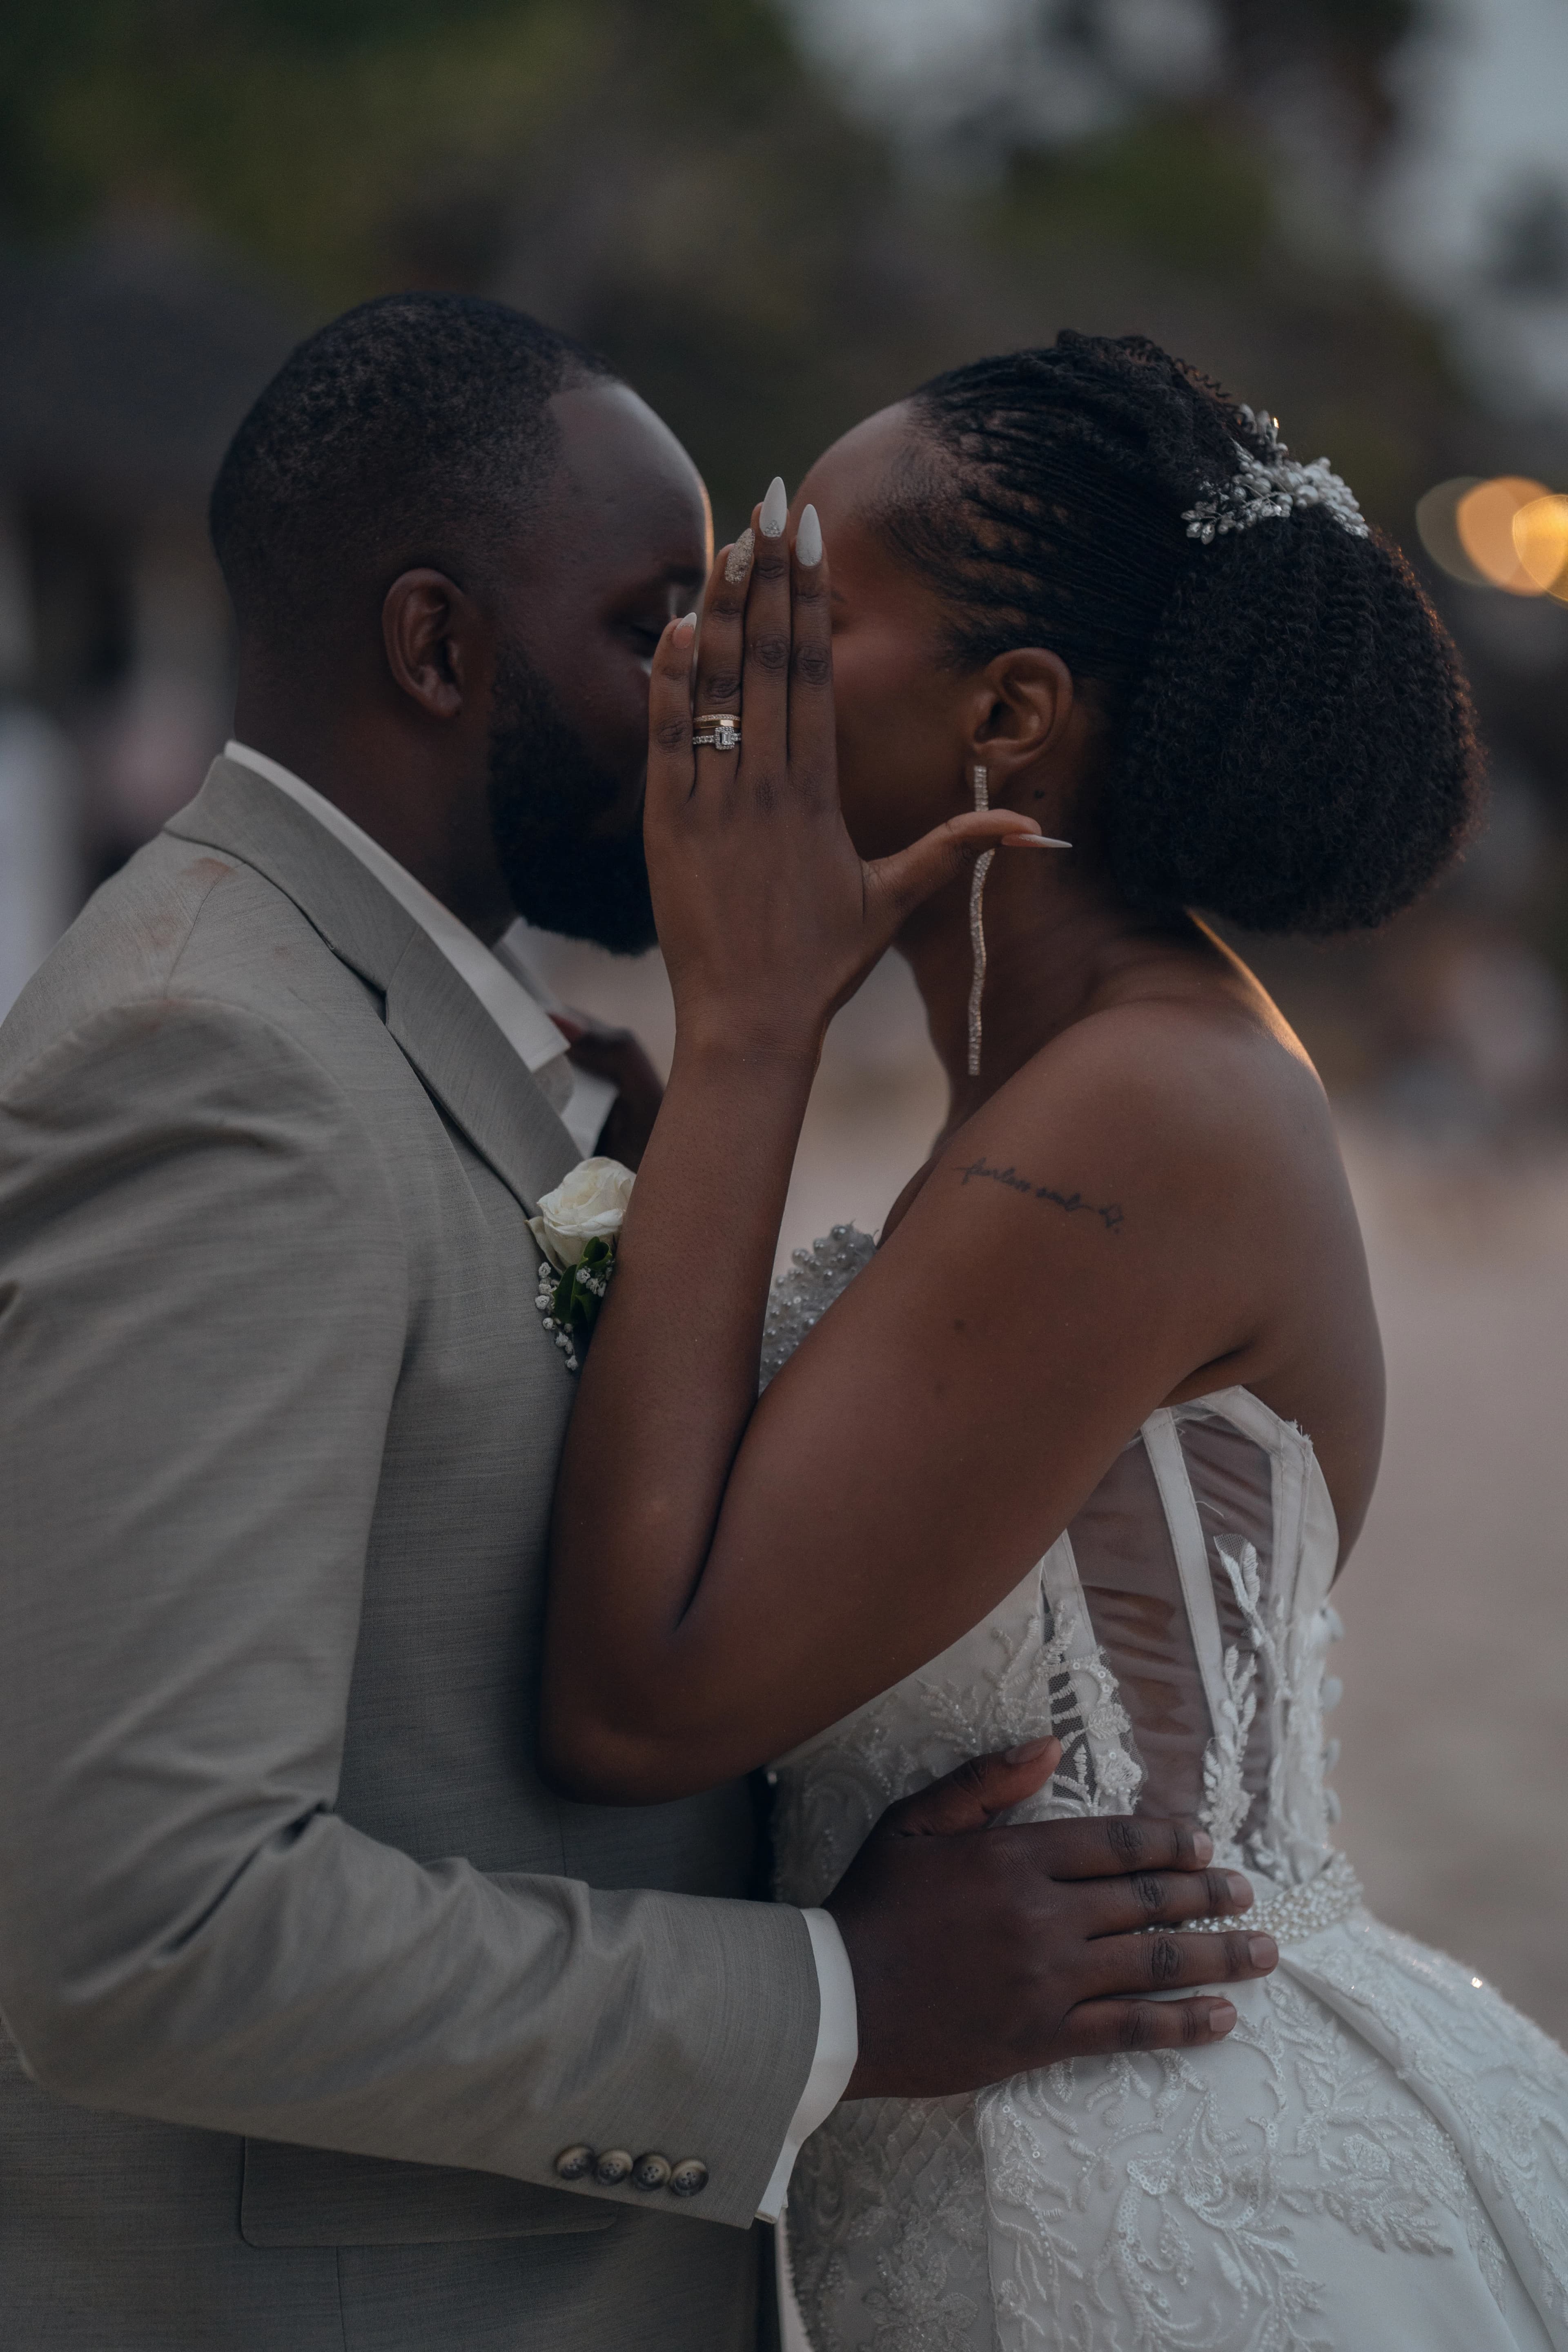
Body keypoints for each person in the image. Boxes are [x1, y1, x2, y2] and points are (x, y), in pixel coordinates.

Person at [0, 298, 1274, 2352]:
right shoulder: (210, 1059)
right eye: (660, 628)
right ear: (437, 648)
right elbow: (151, 1927)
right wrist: (842, 2003)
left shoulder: (408, 1033)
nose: (720, 703)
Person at [538, 333, 1568, 2350]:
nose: (712, 665)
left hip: (1144, 2199)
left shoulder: (1153, 1109)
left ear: (1008, 714)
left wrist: (748, 1033)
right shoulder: (1073, 1090)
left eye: (790, 613)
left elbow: (642, 1700)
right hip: (982, 2145)